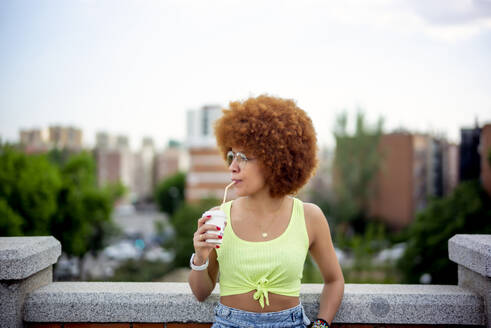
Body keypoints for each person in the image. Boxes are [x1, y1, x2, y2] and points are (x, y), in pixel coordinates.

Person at [188, 95, 344, 328]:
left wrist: (321, 326)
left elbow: (334, 280)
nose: (233, 166)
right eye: (232, 156)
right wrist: (200, 257)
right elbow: (201, 293)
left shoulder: (310, 217)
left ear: (276, 159)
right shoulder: (218, 216)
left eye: (244, 157)